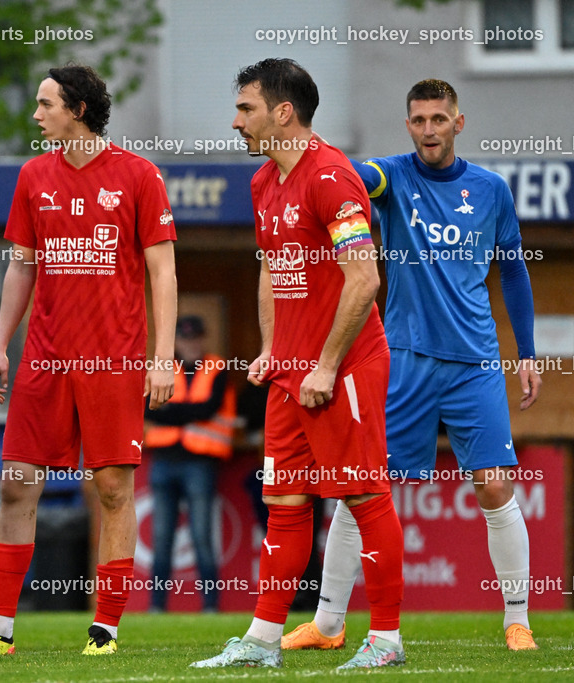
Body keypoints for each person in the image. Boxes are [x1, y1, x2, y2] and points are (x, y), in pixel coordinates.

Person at [282, 79, 541, 653]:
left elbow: (515, 273)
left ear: (458, 123)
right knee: (362, 487)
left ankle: (516, 619)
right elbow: (350, 178)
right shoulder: (391, 176)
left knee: (494, 486)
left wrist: (526, 353)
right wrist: (306, 150)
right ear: (408, 126)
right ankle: (327, 624)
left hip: (475, 362)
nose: (429, 129)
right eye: (419, 120)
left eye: (439, 119)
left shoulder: (491, 190)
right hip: (403, 362)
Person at [190, 58, 405, 670]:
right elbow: (271, 268)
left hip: (346, 368)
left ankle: (386, 641)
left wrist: (327, 366)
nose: (236, 122)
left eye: (246, 109)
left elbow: (364, 280)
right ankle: (261, 642)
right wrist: (271, 349)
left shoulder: (333, 177)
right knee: (284, 503)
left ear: (284, 113)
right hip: (291, 373)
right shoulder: (264, 182)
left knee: (364, 498)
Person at [0, 63, 178, 656]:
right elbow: (21, 265)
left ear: (79, 110)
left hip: (114, 361)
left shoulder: (139, 176)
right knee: (16, 485)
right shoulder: (33, 175)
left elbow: (163, 271)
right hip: (43, 359)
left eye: (46, 104)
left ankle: (106, 628)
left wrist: (160, 357)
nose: (36, 115)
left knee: (112, 488)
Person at [143, 315, 235, 613]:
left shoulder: (217, 367)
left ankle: (210, 606)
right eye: (184, 339)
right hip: (164, 461)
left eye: (194, 338)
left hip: (200, 462)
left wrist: (174, 410)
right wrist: (187, 412)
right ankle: (157, 606)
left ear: (203, 339)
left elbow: (210, 408)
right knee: (161, 537)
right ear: (177, 341)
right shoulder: (162, 367)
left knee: (202, 536)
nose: (190, 344)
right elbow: (151, 410)